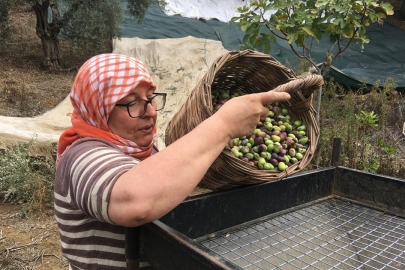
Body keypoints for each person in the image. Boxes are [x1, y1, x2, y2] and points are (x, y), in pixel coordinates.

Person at [54, 53, 290, 270]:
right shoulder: (80, 155)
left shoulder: (146, 152)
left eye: (150, 98)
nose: (150, 112)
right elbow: (136, 201)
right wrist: (224, 125)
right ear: (99, 108)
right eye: (131, 102)